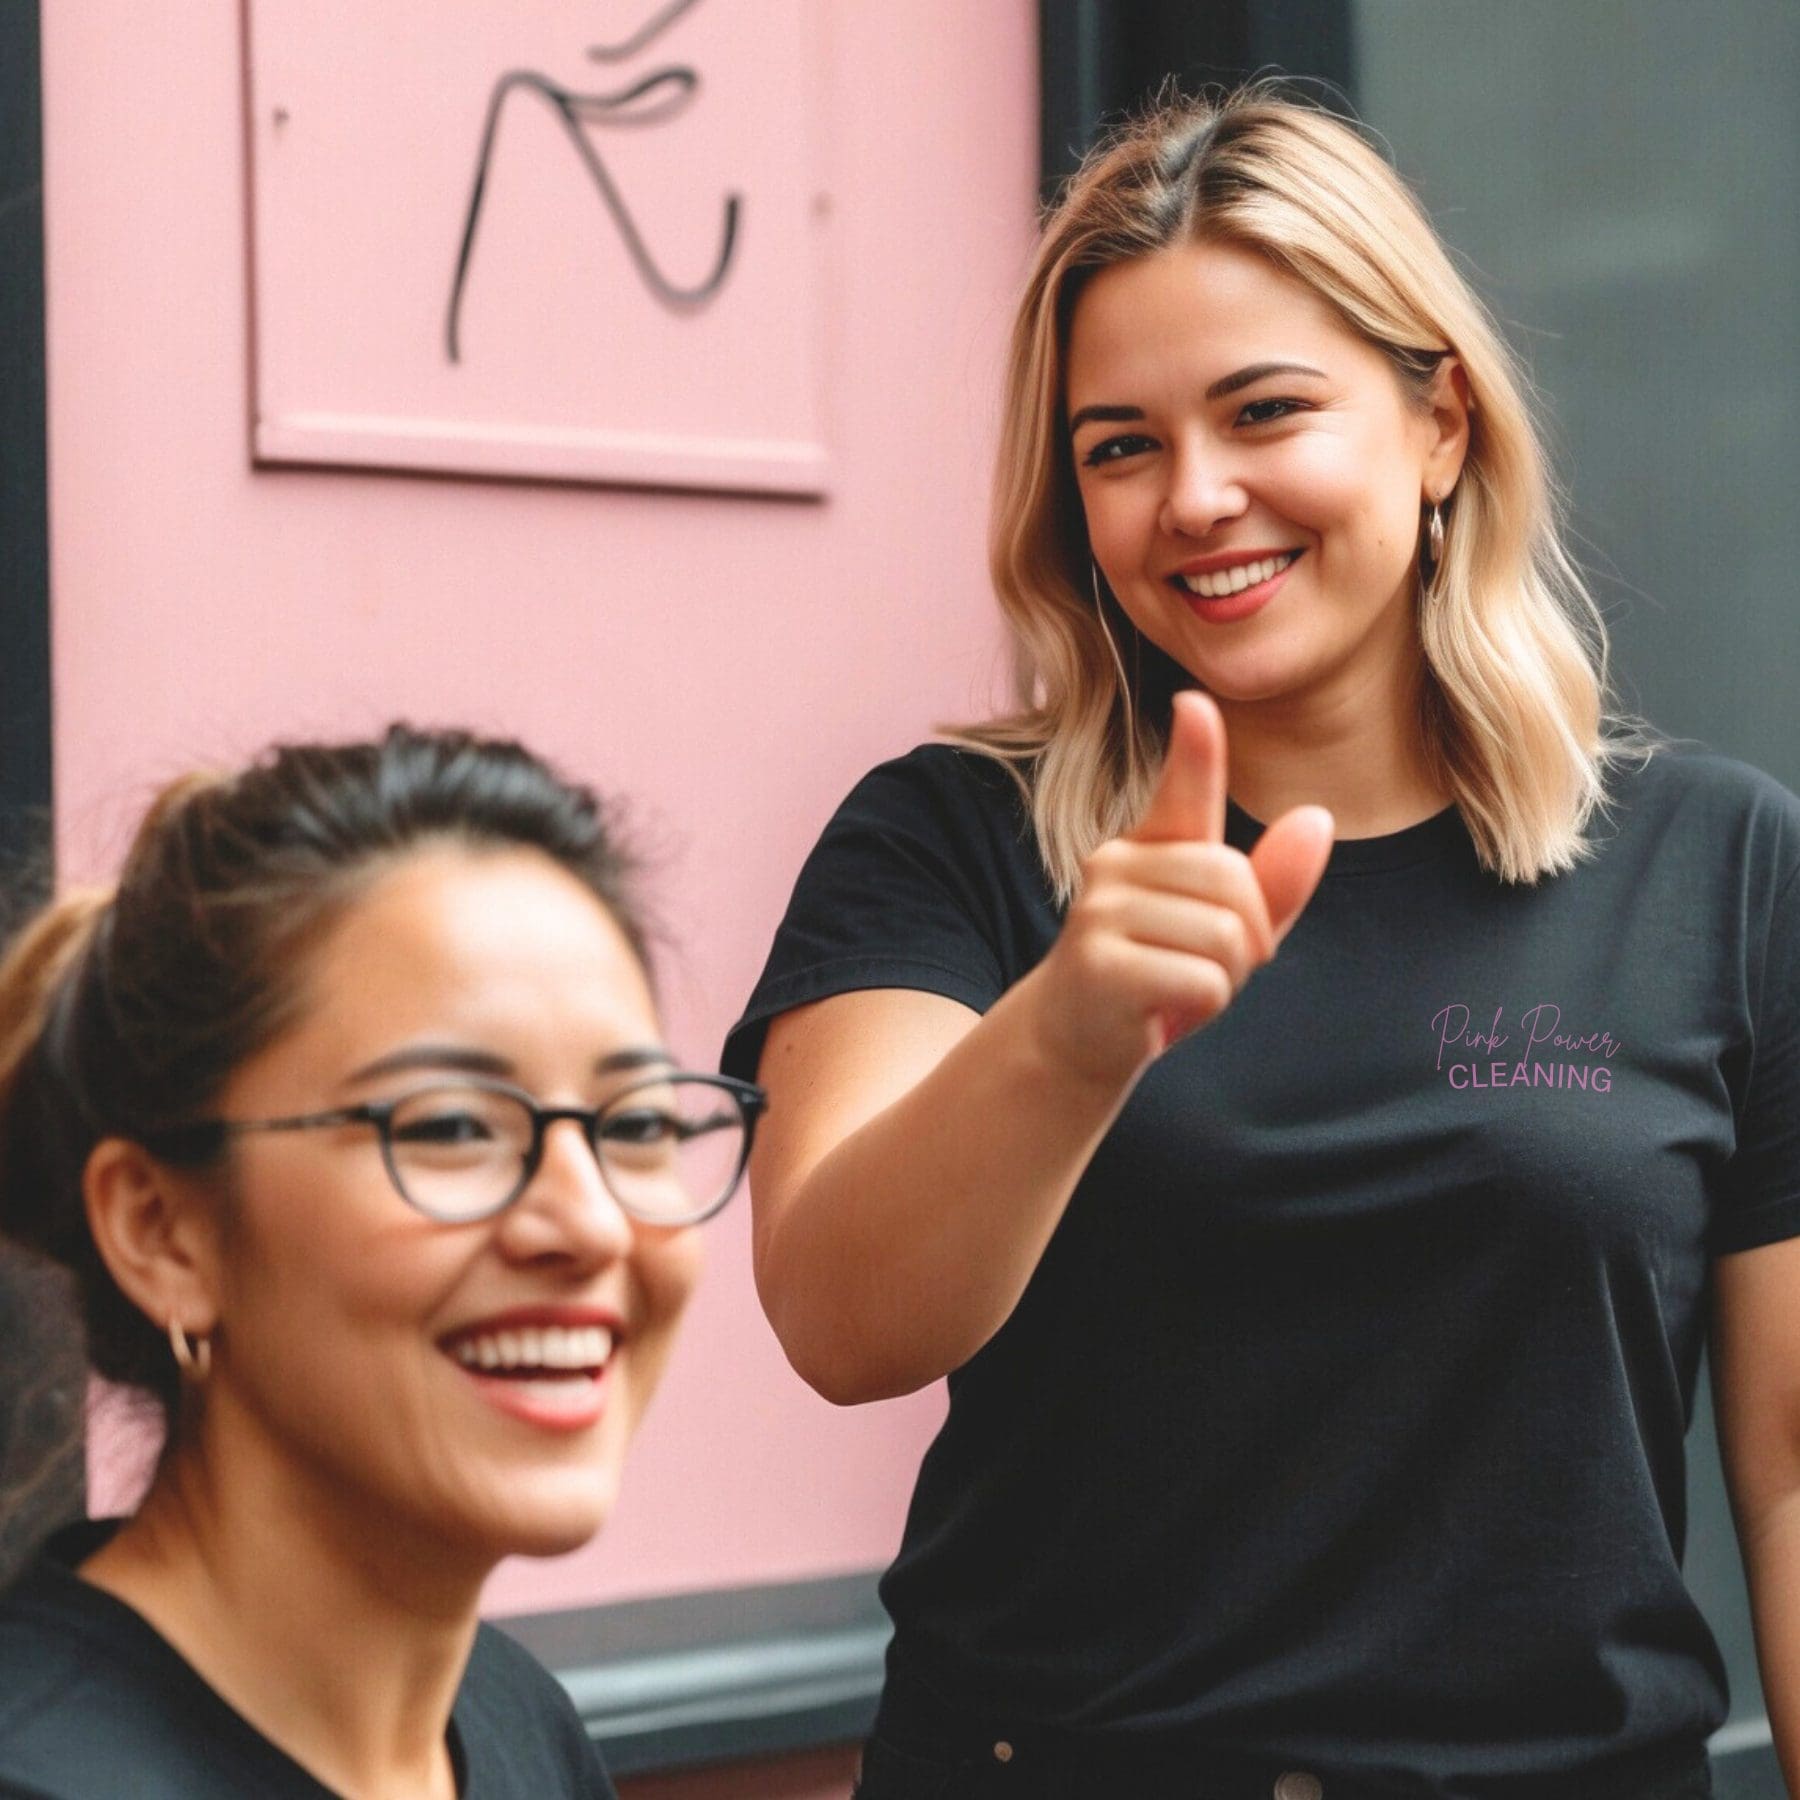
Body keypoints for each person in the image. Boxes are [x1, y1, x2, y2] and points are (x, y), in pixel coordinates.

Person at [722, 85, 1800, 1800]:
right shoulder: (949, 842)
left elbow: (1794, 1477)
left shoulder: (1716, 864)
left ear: (1439, 420)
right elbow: (844, 1321)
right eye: (1122, 445)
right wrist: (1067, 1031)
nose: (1198, 497)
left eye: (1265, 410)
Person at [0, 726, 765, 1800]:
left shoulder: (515, 1724)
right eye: (452, 1129)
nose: (589, 1225)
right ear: (163, 1232)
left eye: (634, 1125)